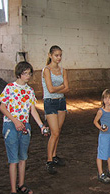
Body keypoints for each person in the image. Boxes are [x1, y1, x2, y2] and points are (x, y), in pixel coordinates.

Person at [0, 61, 46, 194]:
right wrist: (15, 121)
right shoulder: (10, 88)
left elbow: (32, 110)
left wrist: (41, 126)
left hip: (25, 126)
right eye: (25, 73)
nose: (28, 76)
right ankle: (13, 190)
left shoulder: (30, 91)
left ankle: (21, 184)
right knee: (13, 159)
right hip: (11, 126)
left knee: (23, 157)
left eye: (30, 73)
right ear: (19, 73)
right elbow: (2, 107)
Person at [42, 45, 69, 174]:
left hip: (61, 102)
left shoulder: (63, 70)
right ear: (50, 55)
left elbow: (67, 88)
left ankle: (54, 155)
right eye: (56, 55)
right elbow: (51, 89)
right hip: (50, 102)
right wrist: (61, 87)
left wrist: (58, 88)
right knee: (55, 132)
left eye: (60, 55)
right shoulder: (46, 70)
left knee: (58, 131)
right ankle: (49, 161)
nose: (58, 58)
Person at [93, 89, 110, 183]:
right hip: (104, 136)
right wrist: (101, 128)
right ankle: (101, 173)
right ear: (103, 99)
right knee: (101, 154)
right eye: (105, 98)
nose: (107, 100)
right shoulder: (101, 111)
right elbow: (95, 121)